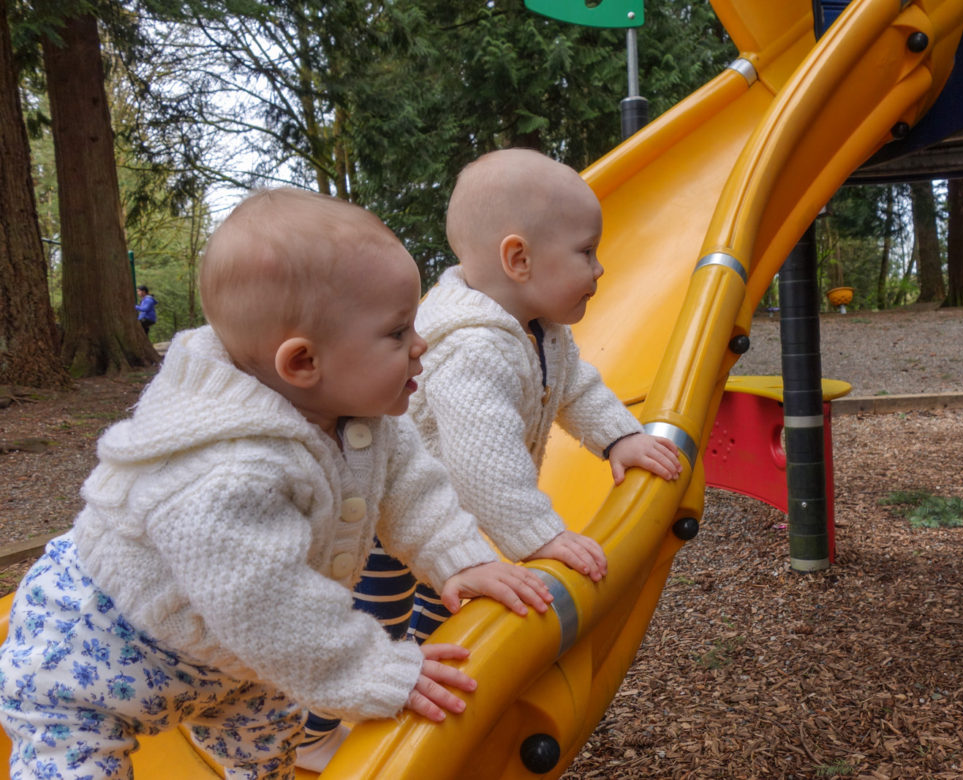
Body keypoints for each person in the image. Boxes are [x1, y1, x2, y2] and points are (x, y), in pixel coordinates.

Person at [0, 187, 553, 780]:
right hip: (95, 657)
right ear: (302, 363)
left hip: (240, 665)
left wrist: (456, 558)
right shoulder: (226, 468)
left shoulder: (360, 417)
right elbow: (268, 602)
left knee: (269, 754)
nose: (420, 345)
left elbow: (412, 486)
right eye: (397, 333)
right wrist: (381, 670)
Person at [402, 147, 683, 640]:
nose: (599, 269)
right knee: (399, 618)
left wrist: (618, 438)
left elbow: (575, 385)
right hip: (402, 520)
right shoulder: (471, 347)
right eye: (586, 252)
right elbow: (483, 461)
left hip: (449, 515)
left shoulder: (541, 328)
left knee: (443, 604)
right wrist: (540, 536)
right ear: (519, 259)